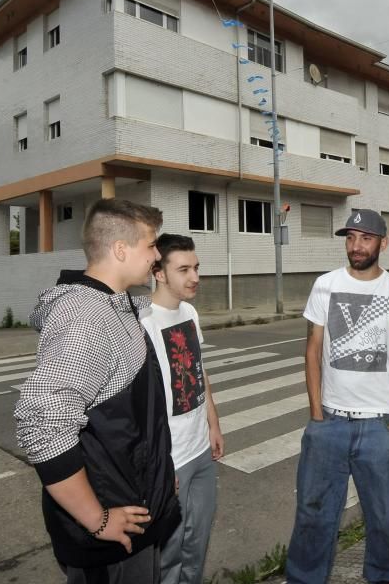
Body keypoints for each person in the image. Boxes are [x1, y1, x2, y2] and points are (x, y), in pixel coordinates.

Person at [14, 198, 180, 583]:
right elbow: (42, 424)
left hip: (135, 513)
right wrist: (97, 519)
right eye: (151, 245)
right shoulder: (87, 318)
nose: (157, 256)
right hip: (111, 539)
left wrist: (159, 472)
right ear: (121, 250)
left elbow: (131, 420)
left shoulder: (116, 307)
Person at [286, 209, 389, 584]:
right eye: (350, 238)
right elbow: (312, 349)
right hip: (328, 423)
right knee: (313, 518)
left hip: (380, 428)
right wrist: (316, 412)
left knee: (383, 520)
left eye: (365, 238)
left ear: (384, 243)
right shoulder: (325, 285)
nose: (356, 246)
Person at [140, 233, 224, 584]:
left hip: (200, 447)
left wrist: (214, 423)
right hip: (170, 457)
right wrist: (159, 463)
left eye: (197, 268)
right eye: (184, 269)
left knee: (198, 539)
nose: (195, 277)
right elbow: (143, 403)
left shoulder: (188, 311)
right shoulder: (142, 322)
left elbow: (198, 370)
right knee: (170, 547)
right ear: (159, 273)